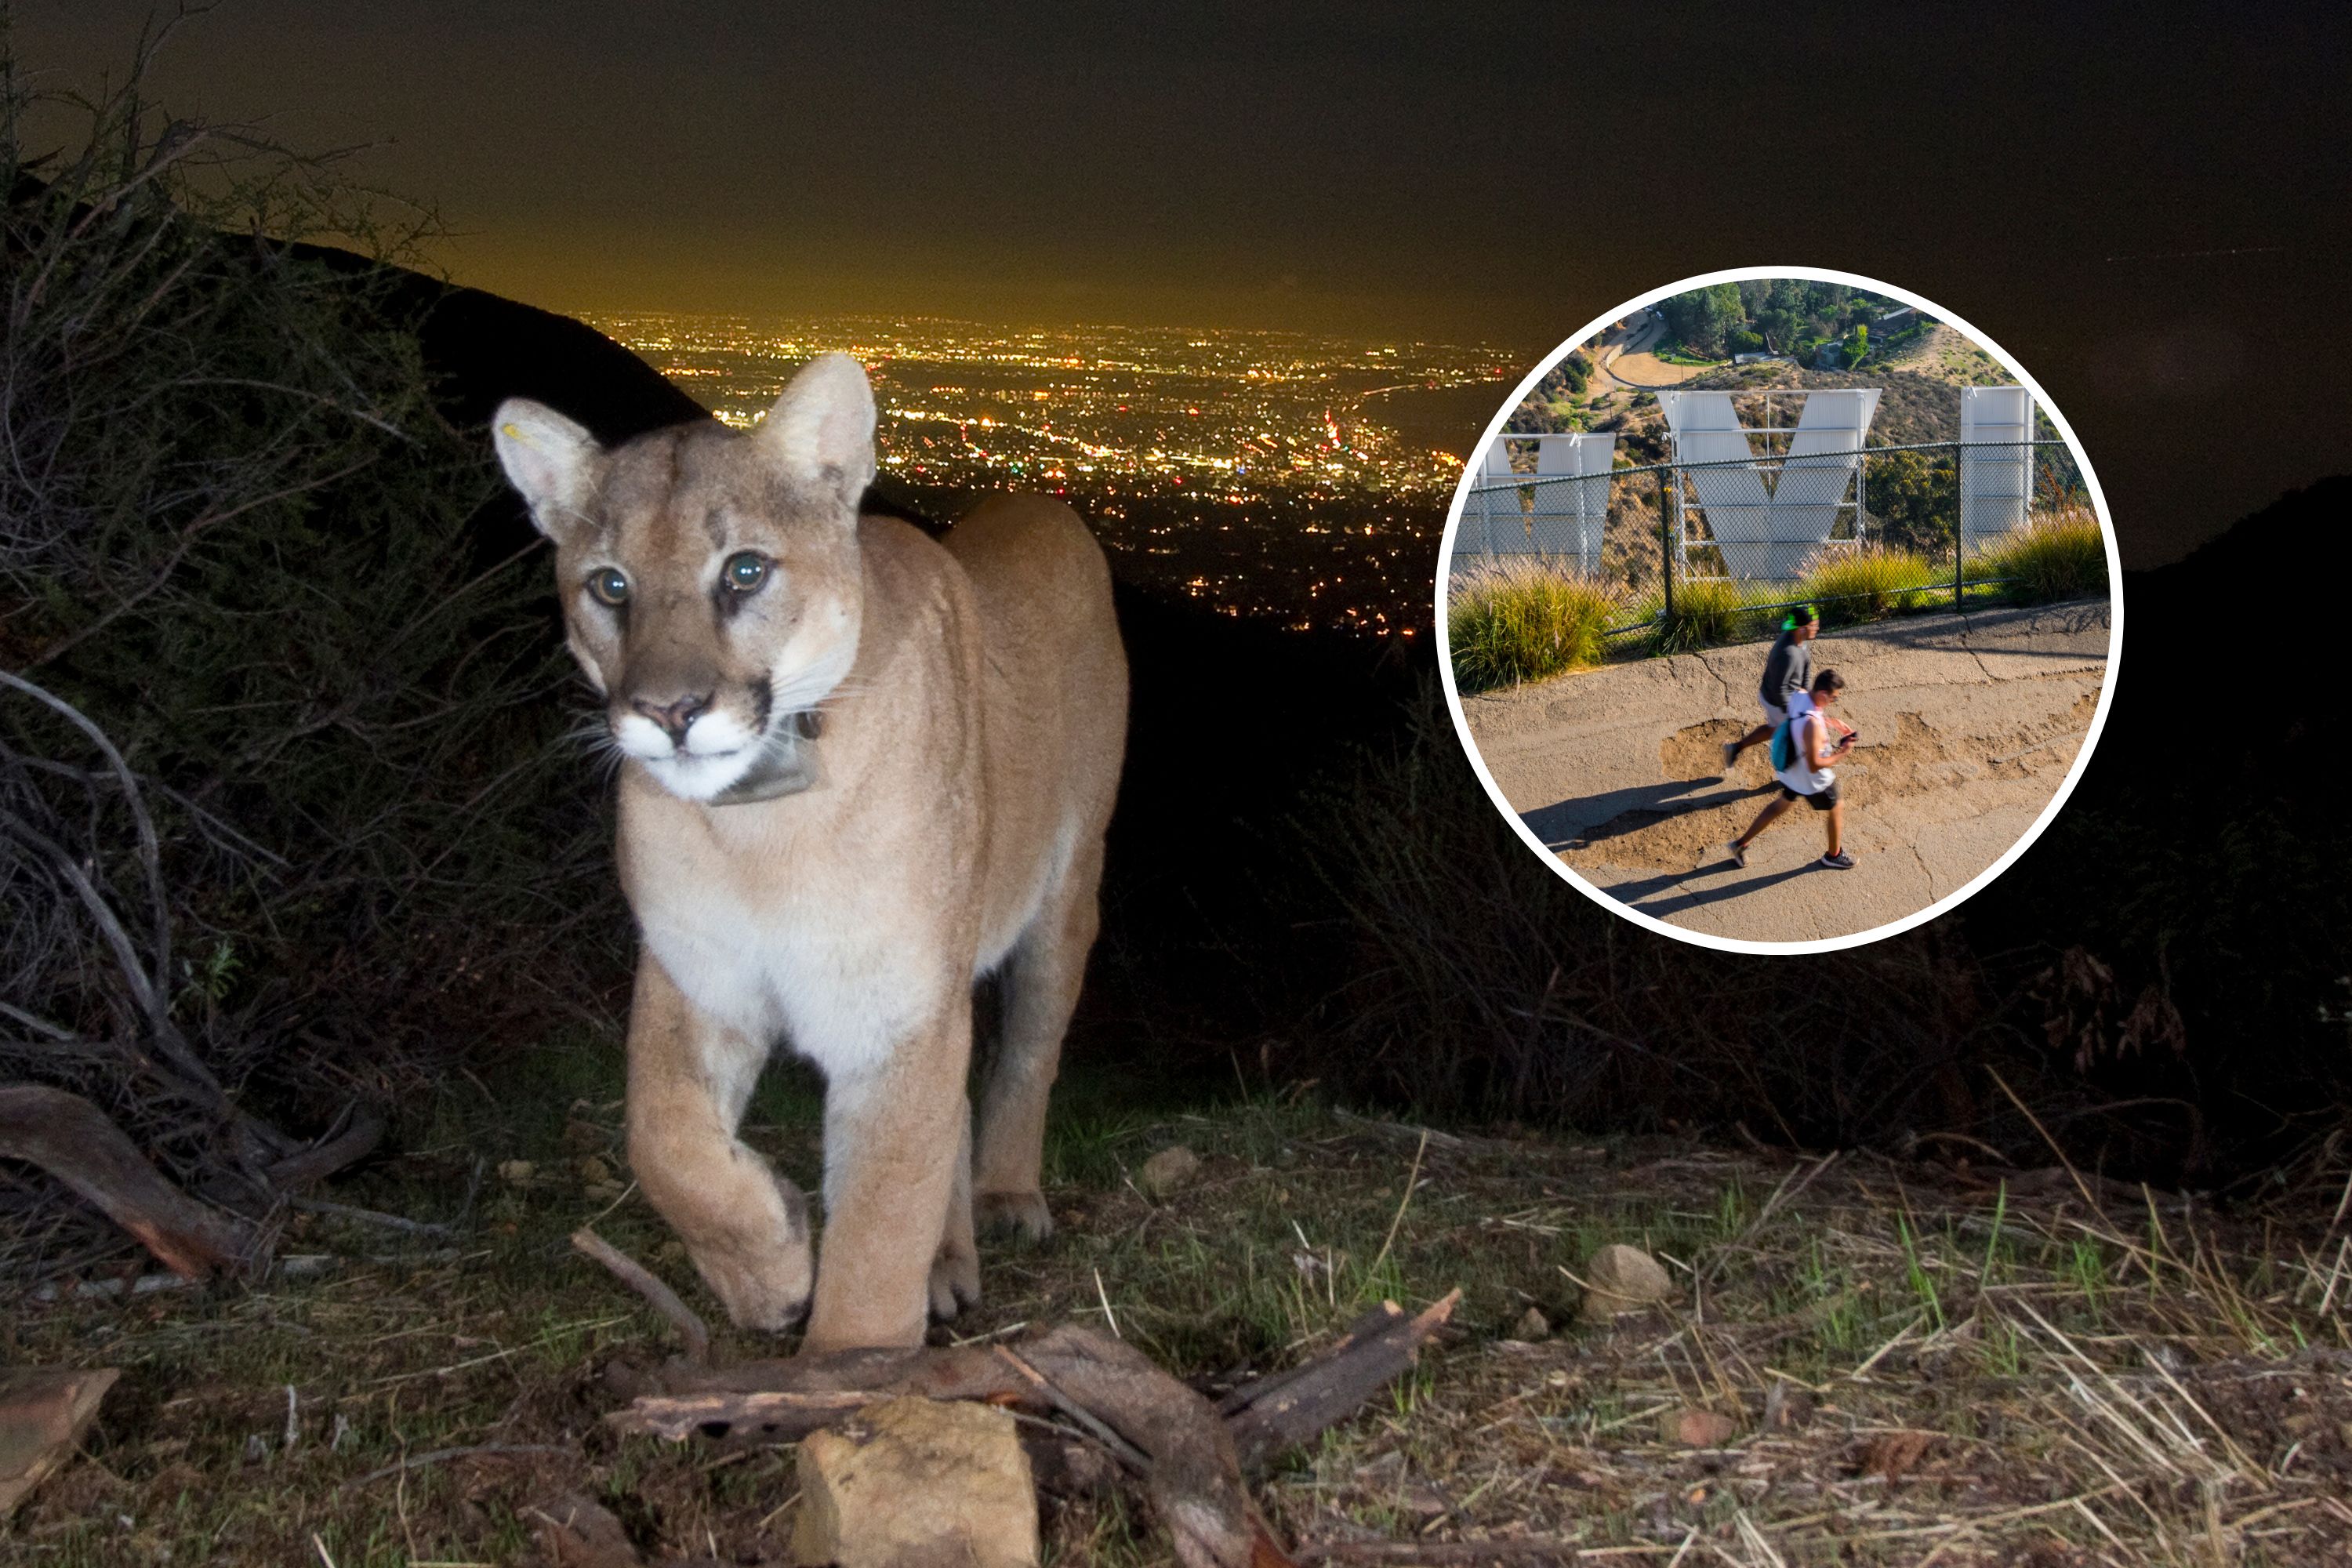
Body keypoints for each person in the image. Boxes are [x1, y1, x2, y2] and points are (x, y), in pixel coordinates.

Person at [1726, 668, 1856, 871]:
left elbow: (1803, 718)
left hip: (1792, 768)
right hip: (1812, 779)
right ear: (1823, 694)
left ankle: (1740, 844)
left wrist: (1832, 723)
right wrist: (1843, 752)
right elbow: (1814, 765)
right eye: (1833, 698)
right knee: (1837, 806)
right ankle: (1834, 855)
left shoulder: (1801, 695)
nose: (1833, 702)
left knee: (1783, 803)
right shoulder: (1812, 724)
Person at [1723, 605, 1819, 773]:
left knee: (1774, 730)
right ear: (1802, 629)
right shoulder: (1787, 653)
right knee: (1795, 734)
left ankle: (1735, 749)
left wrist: (1808, 699)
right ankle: (1788, 773)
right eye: (1814, 625)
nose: (1817, 628)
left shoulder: (1800, 642)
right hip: (1777, 701)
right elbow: (1779, 690)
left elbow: (1805, 668)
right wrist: (1794, 712)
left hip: (1786, 697)